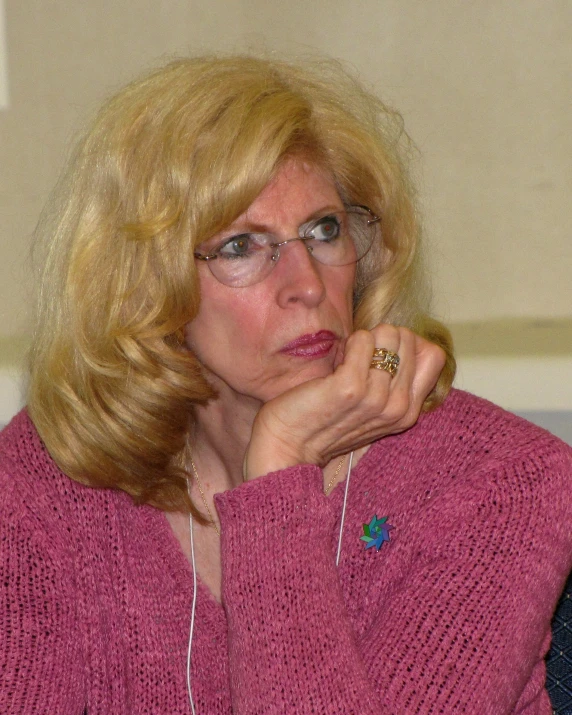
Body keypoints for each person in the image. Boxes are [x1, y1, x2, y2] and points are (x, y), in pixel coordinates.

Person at [1, 55, 571, 715]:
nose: (305, 282)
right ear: (145, 287)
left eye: (323, 230)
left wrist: (277, 473)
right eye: (242, 245)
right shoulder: (40, 488)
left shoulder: (502, 480)